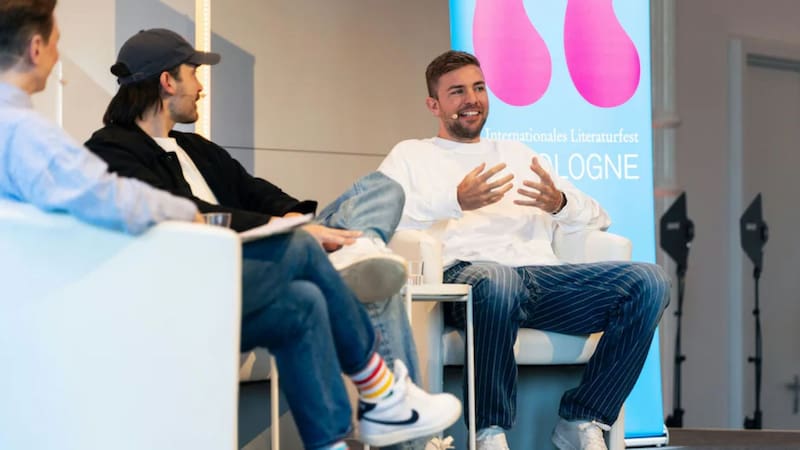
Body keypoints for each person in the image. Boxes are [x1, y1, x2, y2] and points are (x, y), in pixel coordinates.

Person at [0, 5, 460, 450]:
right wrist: (236, 222)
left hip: (233, 266)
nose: (201, 86)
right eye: (193, 73)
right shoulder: (66, 140)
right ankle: (379, 387)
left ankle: (334, 431)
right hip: (182, 281)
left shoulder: (196, 148)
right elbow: (112, 200)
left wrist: (292, 219)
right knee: (303, 253)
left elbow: (255, 190)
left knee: (313, 287)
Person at [378, 50, 670, 450]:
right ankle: (489, 431)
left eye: (478, 88)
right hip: (464, 281)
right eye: (457, 92)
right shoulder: (411, 155)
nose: (472, 99)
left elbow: (598, 217)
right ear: (434, 104)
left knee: (649, 281)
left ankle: (583, 417)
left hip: (539, 280)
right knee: (498, 278)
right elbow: (381, 217)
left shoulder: (517, 153)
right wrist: (454, 200)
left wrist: (560, 204)